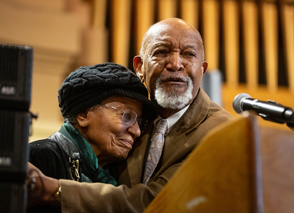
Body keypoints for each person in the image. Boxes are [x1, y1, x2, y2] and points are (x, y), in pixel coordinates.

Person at [27, 18, 233, 212]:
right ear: (140, 68)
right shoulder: (142, 122)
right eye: (162, 51)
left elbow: (157, 202)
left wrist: (54, 189)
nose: (176, 64)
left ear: (202, 70)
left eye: (189, 54)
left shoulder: (220, 132)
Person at [27, 62, 157, 211]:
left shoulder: (119, 174)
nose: (137, 131)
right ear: (83, 114)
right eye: (126, 116)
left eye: (139, 122)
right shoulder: (40, 157)